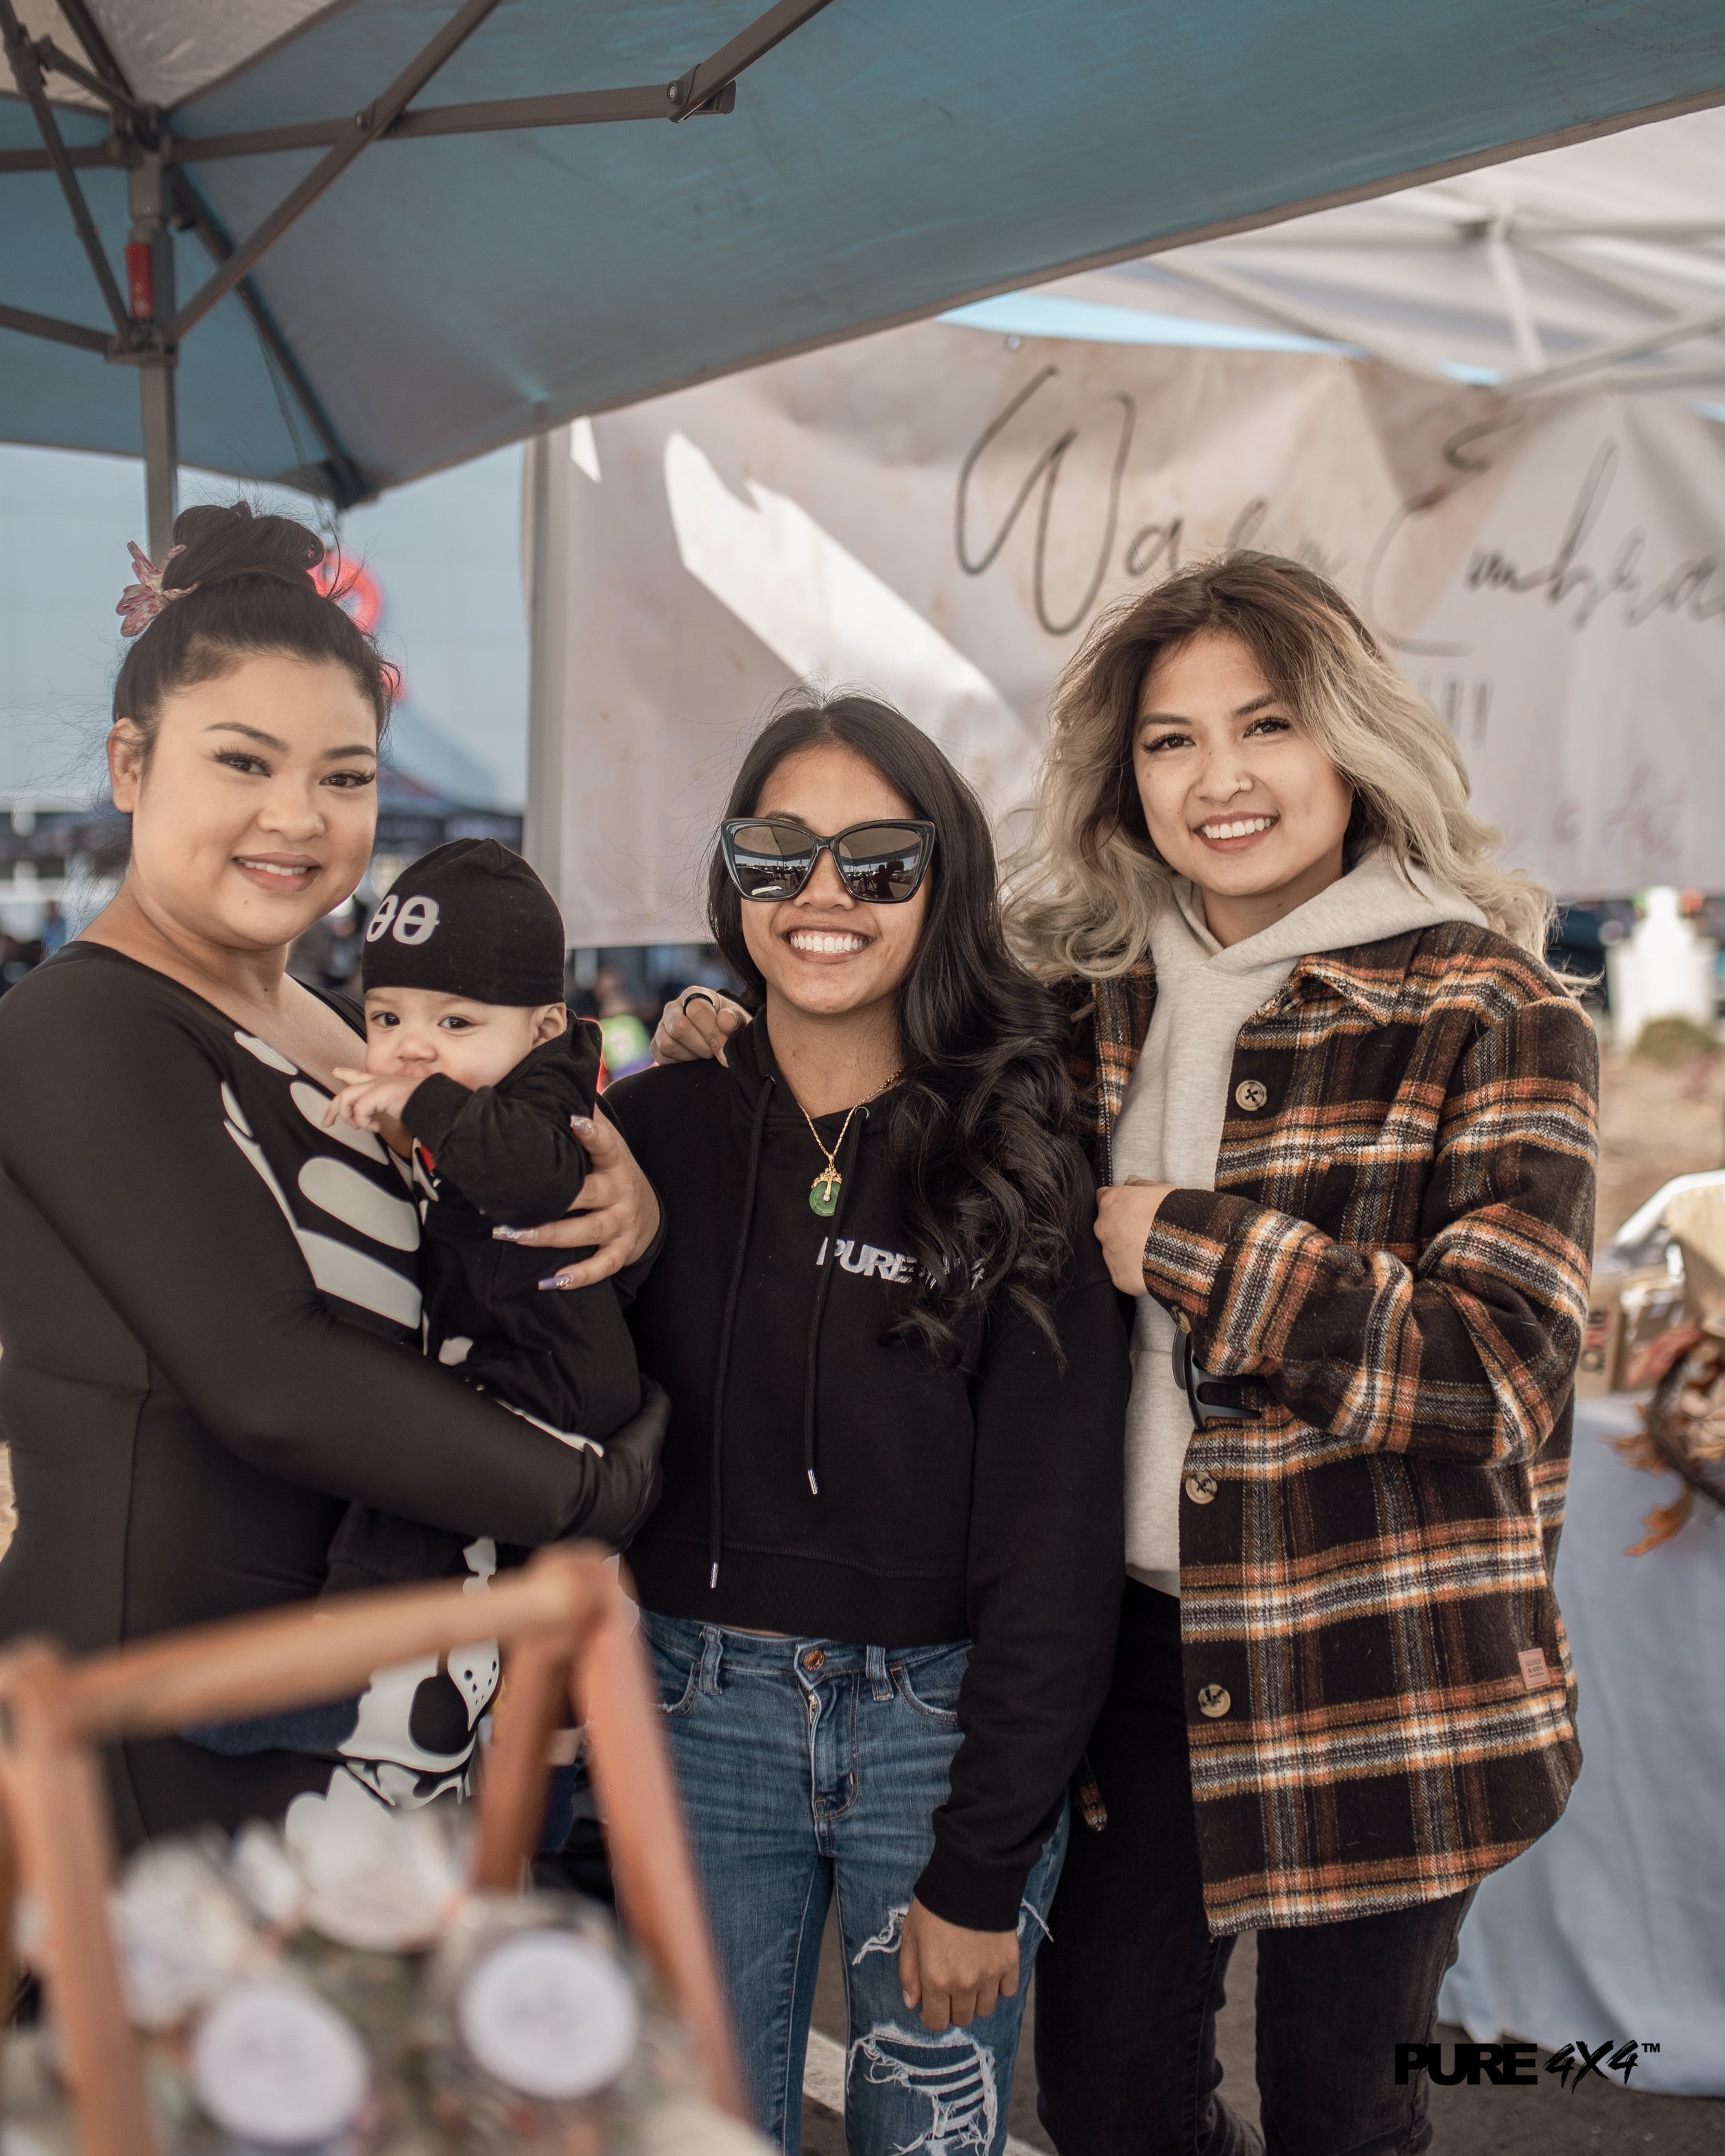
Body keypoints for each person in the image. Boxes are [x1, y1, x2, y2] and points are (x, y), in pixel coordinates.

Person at [651, 557, 1599, 2156]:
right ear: (1126, 774)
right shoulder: (1080, 993)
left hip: (1381, 1662)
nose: (1219, 779)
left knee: (1340, 2107)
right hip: (1138, 1659)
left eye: (1265, 726)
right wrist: (734, 1043)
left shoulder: (1486, 1006)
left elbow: (1495, 1368)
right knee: (1107, 2092)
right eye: (1171, 741)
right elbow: (883, 1041)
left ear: (1349, 739)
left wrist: (1193, 1246)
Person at [0, 506, 664, 1843]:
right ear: (130, 763)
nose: (296, 817)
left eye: (345, 776)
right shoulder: (77, 1026)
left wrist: (613, 1200)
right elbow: (275, 1380)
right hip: (162, 1744)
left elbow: (482, 1285)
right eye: (242, 760)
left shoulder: (346, 1031)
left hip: (378, 1726)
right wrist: (602, 1491)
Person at [597, 693, 1127, 2156]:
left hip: (937, 1736)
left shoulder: (1020, 1151)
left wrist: (983, 1860)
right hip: (694, 1711)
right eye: (777, 854)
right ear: (732, 877)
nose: (821, 894)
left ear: (943, 880)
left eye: (878, 859)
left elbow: (1054, 1544)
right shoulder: (650, 1132)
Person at [194, 835, 649, 1807]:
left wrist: (425, 1102)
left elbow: (530, 1173)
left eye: (454, 1021)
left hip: (550, 1376)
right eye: (387, 1016)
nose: (411, 1045)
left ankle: (329, 1684)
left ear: (545, 1026)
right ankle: (539, 1769)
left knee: (409, 1497)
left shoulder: (548, 1090)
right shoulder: (483, 1093)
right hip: (525, 1370)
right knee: (521, 1610)